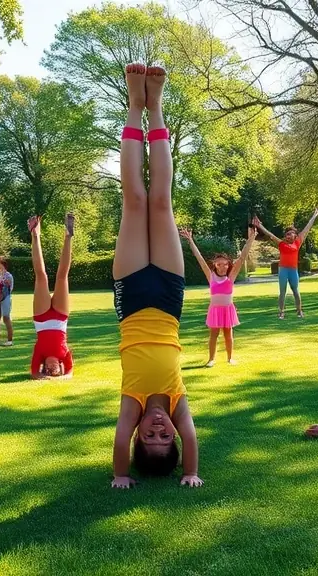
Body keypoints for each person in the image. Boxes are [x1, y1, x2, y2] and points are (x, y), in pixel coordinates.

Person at [111, 63, 201, 489]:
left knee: (134, 200)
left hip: (131, 302)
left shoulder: (133, 405)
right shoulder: (178, 404)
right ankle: (157, 106)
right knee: (161, 201)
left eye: (150, 437)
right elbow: (192, 437)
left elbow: (118, 439)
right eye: (167, 438)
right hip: (167, 300)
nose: (160, 429)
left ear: (137, 436)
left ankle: (136, 105)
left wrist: (121, 474)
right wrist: (191, 472)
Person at [182, 226, 256, 367]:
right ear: (215, 265)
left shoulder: (231, 277)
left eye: (225, 264)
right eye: (219, 264)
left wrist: (251, 239)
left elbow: (242, 258)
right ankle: (211, 359)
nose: (222, 266)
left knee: (228, 334)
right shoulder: (211, 276)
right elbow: (200, 259)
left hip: (228, 309)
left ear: (228, 265)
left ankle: (230, 358)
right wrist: (190, 240)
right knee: (214, 335)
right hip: (215, 310)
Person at [29, 213, 75, 379]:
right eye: (56, 370)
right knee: (62, 276)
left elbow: (34, 373)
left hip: (41, 318)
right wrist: (61, 378)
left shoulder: (39, 355)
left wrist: (44, 378)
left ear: (45, 367)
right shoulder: (64, 354)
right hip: (61, 317)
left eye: (48, 370)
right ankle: (68, 236)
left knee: (41, 276)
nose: (52, 368)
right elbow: (69, 373)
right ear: (60, 366)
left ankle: (35, 235)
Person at [253, 210, 318, 319]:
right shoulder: (281, 244)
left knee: (296, 291)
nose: (288, 236)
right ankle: (281, 312)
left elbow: (307, 228)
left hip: (293, 270)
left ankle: (299, 311)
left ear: (295, 235)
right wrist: (260, 226)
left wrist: (314, 215)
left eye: (290, 234)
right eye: (287, 234)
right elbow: (270, 234)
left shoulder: (298, 242)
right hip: (283, 270)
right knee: (282, 292)